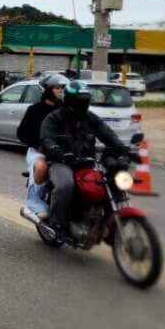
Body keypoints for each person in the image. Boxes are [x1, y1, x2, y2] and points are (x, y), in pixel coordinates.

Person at [40, 80, 129, 243]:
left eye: (84, 101)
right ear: (68, 101)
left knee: (109, 182)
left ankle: (107, 224)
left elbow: (109, 135)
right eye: (78, 101)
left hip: (87, 163)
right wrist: (57, 151)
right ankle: (57, 225)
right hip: (62, 162)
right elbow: (47, 139)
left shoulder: (91, 118)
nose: (82, 105)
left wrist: (123, 151)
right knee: (65, 185)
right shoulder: (54, 118)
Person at [16, 73, 70, 220]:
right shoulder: (35, 110)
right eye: (58, 88)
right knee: (41, 167)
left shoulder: (67, 110)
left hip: (62, 152)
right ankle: (34, 204)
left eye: (64, 88)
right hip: (39, 152)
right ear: (47, 90)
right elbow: (22, 133)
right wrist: (38, 144)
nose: (61, 91)